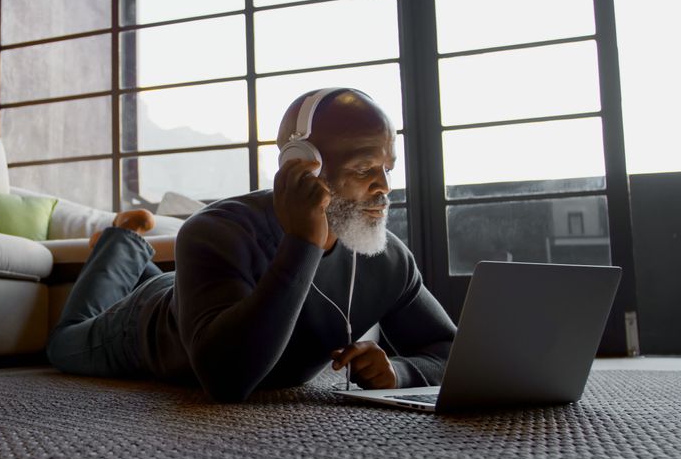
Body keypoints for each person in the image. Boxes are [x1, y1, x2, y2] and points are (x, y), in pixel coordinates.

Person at [46, 88, 457, 402]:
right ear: (302, 163)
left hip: (197, 291)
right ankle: (124, 242)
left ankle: (137, 258)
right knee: (63, 347)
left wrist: (400, 373)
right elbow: (227, 382)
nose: (384, 187)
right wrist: (304, 240)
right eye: (365, 168)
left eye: (387, 168)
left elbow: (450, 351)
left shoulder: (387, 259)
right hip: (147, 324)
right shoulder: (215, 230)